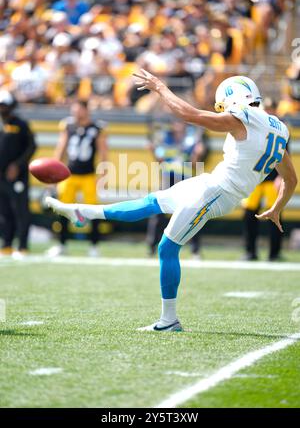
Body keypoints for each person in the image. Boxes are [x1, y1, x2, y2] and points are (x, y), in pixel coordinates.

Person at [46, 72, 297, 332]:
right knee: (151, 202)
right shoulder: (277, 127)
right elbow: (291, 179)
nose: (225, 111)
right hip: (212, 183)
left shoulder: (245, 117)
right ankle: (82, 212)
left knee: (167, 247)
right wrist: (278, 207)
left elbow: (190, 115)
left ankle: (169, 320)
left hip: (218, 192)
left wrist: (159, 87)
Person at [47, 100, 107, 257]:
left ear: (86, 110)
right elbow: (61, 149)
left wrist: (102, 175)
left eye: (78, 109)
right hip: (69, 175)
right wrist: (53, 172)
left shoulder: (97, 127)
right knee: (62, 210)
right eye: (73, 110)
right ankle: (61, 244)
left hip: (89, 175)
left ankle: (94, 246)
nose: (75, 113)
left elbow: (103, 152)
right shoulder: (68, 126)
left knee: (94, 211)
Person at [147, 120, 209, 258]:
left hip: (186, 180)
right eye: (176, 122)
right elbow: (160, 160)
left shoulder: (192, 140)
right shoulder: (165, 139)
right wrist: (153, 150)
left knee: (193, 214)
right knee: (158, 213)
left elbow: (194, 163)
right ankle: (151, 247)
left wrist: (198, 154)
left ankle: (195, 250)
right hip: (168, 181)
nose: (178, 125)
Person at [0, 90, 36, 258]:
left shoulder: (20, 124)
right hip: (1, 176)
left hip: (17, 176)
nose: (2, 109)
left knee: (20, 210)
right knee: (4, 210)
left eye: (4, 105)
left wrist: (17, 165)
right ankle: (6, 244)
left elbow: (31, 147)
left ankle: (22, 245)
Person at [242, 169, 283, 261]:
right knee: (249, 215)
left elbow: (285, 154)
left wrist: (281, 176)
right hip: (254, 180)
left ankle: (274, 253)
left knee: (275, 215)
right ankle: (250, 252)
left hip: (272, 180)